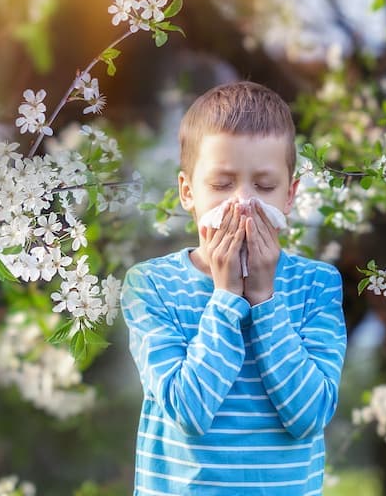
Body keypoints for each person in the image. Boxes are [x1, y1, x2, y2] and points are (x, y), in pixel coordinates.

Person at [122, 81, 347, 495]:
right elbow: (188, 410)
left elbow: (309, 414)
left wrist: (263, 299)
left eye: (263, 187)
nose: (243, 204)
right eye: (222, 184)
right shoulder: (151, 286)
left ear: (290, 195)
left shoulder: (317, 286)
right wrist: (225, 298)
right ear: (188, 192)